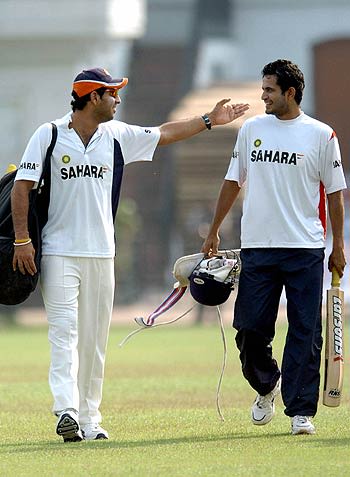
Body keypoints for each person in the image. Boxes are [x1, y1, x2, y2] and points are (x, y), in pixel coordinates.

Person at [11, 67, 249, 442]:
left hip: (102, 254)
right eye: (112, 94)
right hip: (58, 252)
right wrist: (22, 240)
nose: (118, 100)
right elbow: (22, 187)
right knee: (64, 333)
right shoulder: (50, 135)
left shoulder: (117, 135)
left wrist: (209, 120)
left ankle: (90, 420)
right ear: (92, 97)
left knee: (94, 340)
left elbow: (164, 133)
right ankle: (67, 411)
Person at [202, 59, 346, 435]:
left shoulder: (321, 135)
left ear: (290, 93)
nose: (262, 96)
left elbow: (335, 195)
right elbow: (233, 181)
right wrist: (214, 230)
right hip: (258, 248)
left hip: (306, 248)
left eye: (268, 90)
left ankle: (301, 411)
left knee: (304, 331)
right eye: (263, 88)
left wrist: (338, 245)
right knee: (249, 330)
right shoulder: (251, 130)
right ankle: (267, 385)